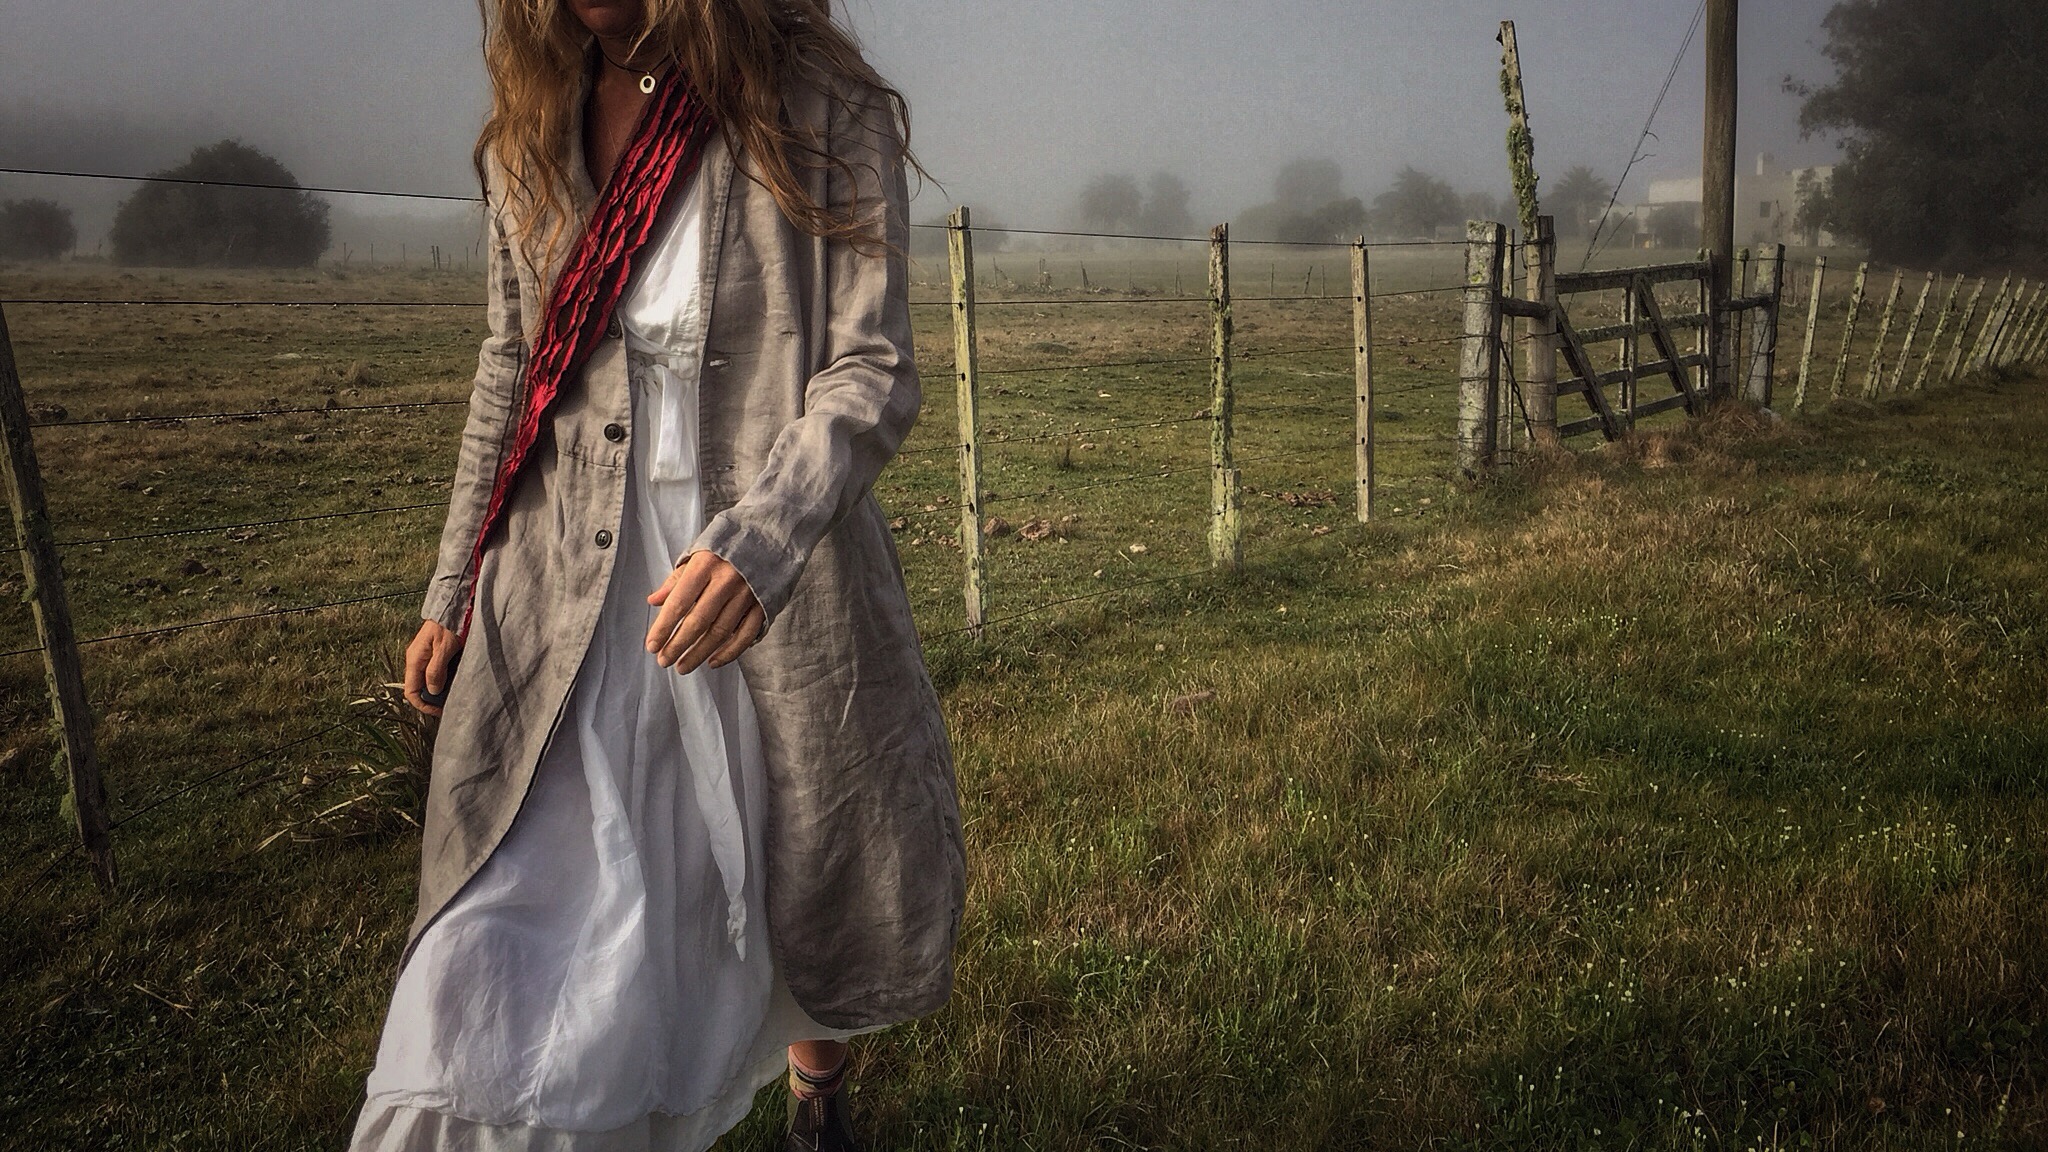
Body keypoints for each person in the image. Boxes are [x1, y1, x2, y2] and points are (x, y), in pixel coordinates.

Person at [347, 1, 965, 1149]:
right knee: (502, 928)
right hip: (561, 591)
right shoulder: (535, 125)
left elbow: (870, 366)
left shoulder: (819, 101)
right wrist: (454, 583)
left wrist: (759, 544)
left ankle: (814, 1089)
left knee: (792, 863)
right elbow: (512, 369)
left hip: (762, 582)